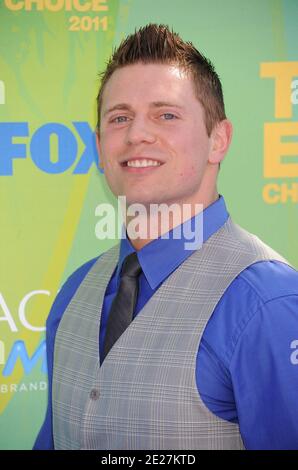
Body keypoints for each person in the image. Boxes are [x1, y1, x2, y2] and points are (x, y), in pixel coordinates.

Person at [34, 24, 298, 450]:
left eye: (166, 115)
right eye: (120, 118)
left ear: (219, 139)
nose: (137, 134)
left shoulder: (268, 305)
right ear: (100, 147)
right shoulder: (74, 294)